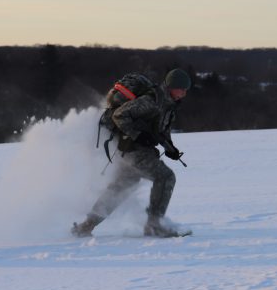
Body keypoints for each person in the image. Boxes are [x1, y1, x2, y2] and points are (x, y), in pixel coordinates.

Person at [72, 69, 192, 238]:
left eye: (186, 89)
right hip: (133, 150)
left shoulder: (169, 105)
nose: (184, 93)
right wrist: (138, 136)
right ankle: (154, 225)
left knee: (119, 188)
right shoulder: (152, 100)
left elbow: (160, 131)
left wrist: (170, 149)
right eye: (182, 88)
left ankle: (86, 226)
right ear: (172, 86)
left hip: (134, 151)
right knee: (165, 177)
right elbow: (119, 115)